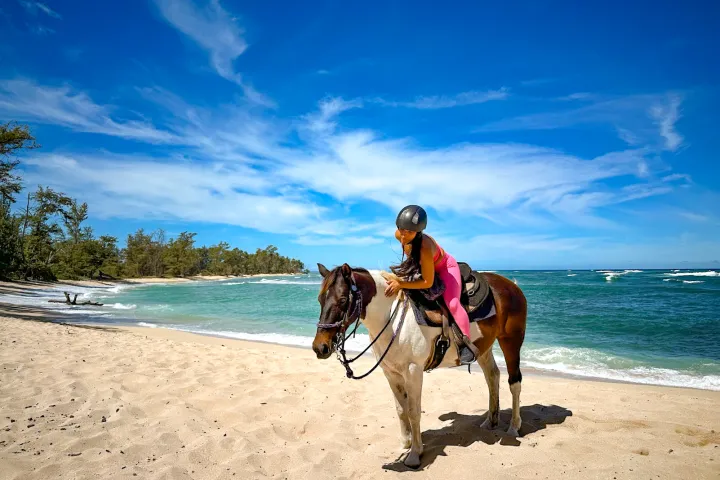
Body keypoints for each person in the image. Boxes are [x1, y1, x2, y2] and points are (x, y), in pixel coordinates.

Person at [381, 205, 478, 365]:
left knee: (452, 304)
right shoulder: (399, 234)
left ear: (418, 232)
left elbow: (428, 282)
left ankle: (466, 343)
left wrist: (401, 283)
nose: (404, 235)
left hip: (444, 268)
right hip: (421, 265)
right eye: (402, 229)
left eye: (410, 232)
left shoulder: (425, 247)